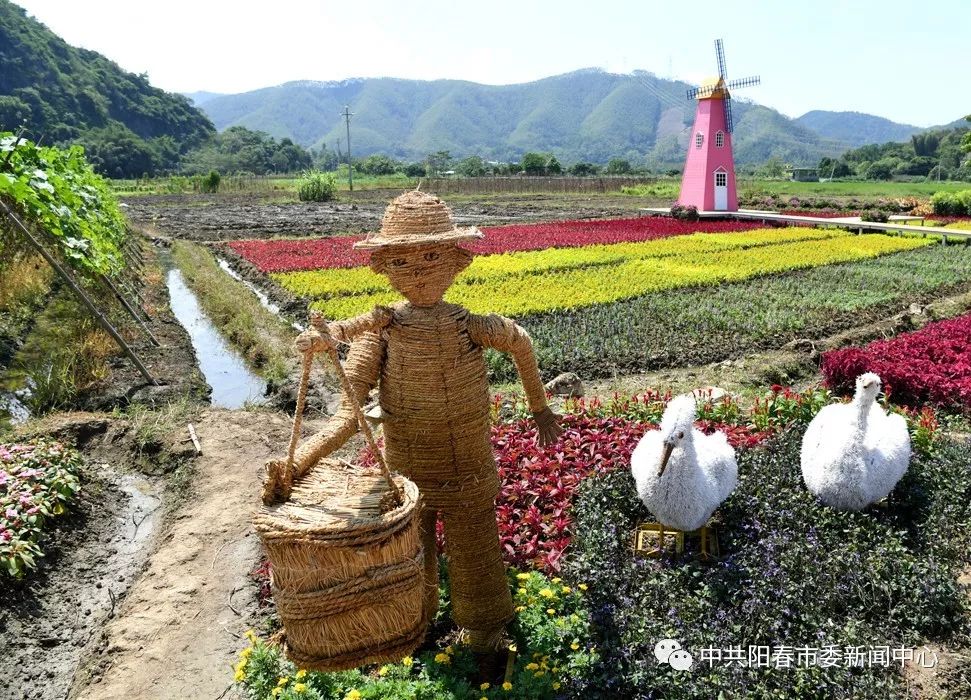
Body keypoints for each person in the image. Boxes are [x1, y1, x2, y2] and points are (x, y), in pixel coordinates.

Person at [263, 190, 561, 678]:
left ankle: (486, 639)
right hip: (410, 478)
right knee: (409, 561)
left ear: (457, 260)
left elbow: (520, 342)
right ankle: (413, 634)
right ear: (383, 266)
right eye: (403, 259)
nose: (419, 270)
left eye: (430, 256)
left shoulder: (469, 325)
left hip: (467, 469)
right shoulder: (380, 332)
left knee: (477, 557)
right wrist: (301, 460)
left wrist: (540, 408)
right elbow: (347, 415)